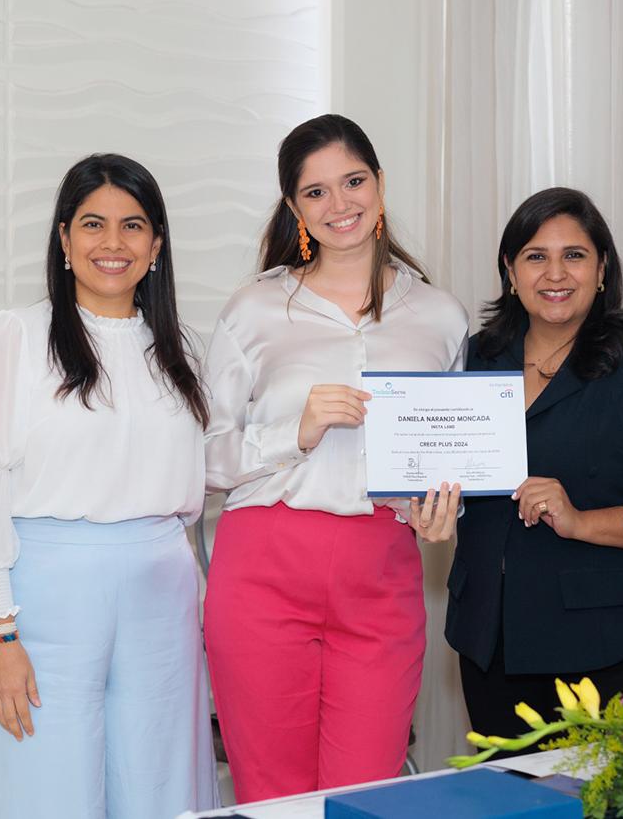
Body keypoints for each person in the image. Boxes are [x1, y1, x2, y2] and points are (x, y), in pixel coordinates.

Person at [202, 114, 468, 802]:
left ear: (380, 185)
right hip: (264, 569)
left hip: (381, 574)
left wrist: (444, 511)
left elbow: (448, 452)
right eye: (315, 192)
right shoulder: (254, 308)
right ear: (294, 209)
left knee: (363, 799)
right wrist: (298, 429)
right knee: (275, 798)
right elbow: (205, 455)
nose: (339, 204)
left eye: (353, 181)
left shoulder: (441, 315)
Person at [0, 154, 219, 817]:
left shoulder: (179, 347)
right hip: (48, 595)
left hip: (163, 590)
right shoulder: (16, 335)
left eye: (132, 225)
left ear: (156, 245)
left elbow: (211, 476)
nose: (112, 243)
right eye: (93, 224)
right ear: (64, 239)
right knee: (45, 785)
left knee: (159, 783)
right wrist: (0, 635)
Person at [445, 187, 623, 742]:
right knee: (507, 803)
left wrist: (580, 520)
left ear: (602, 268)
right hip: (489, 638)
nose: (554, 273)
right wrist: (429, 509)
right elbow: (447, 475)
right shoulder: (473, 358)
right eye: (535, 256)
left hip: (603, 639)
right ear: (510, 270)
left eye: (574, 254)